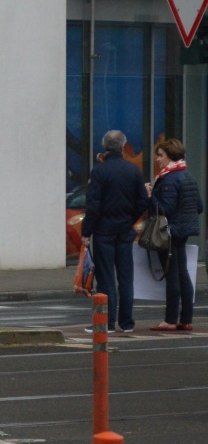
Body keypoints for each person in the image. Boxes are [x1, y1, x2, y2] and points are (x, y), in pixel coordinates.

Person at [81, 129, 147, 333]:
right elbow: (142, 202)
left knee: (106, 278)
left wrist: (86, 232)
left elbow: (93, 206)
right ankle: (127, 323)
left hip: (103, 231)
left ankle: (107, 323)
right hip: (124, 230)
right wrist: (129, 220)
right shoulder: (133, 170)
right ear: (122, 146)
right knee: (126, 278)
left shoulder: (99, 172)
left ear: (104, 147)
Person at [145, 138, 203, 332]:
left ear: (169, 155)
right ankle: (186, 319)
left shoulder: (169, 179)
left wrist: (150, 196)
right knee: (183, 275)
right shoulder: (188, 176)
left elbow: (165, 209)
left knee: (172, 277)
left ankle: (170, 320)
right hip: (184, 230)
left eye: (160, 155)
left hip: (169, 232)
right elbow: (199, 207)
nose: (158, 159)